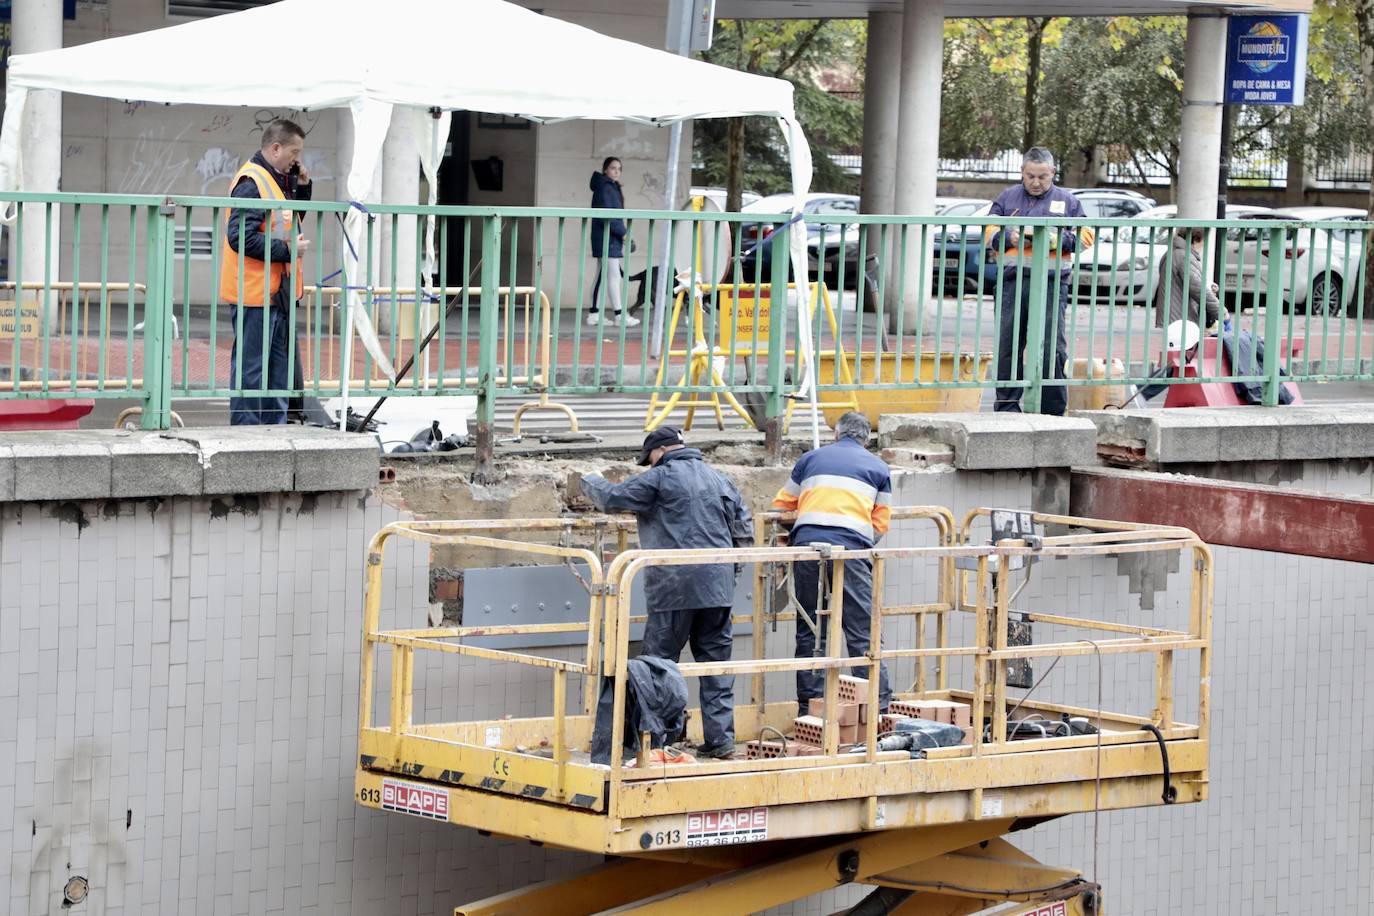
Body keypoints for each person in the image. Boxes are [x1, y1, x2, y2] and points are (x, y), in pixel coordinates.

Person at [579, 427, 752, 758]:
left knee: (657, 668)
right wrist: (729, 573)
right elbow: (743, 530)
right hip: (718, 589)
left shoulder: (659, 478)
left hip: (673, 590)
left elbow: (611, 499)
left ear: (657, 453)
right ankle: (721, 741)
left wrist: (590, 478)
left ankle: (656, 744)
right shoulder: (720, 479)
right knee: (715, 666)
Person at [771, 411, 893, 713]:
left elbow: (783, 507)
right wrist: (859, 543)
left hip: (808, 550)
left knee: (811, 627)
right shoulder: (879, 467)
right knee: (861, 628)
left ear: (836, 434)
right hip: (851, 551)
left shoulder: (810, 459)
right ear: (866, 440)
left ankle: (809, 706)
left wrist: (799, 533)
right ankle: (877, 708)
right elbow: (880, 524)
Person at [984, 147, 1095, 416]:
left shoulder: (1068, 202)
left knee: (1052, 346)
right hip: (1013, 283)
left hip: (1051, 284)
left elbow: (1086, 236)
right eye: (1030, 176)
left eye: (1042, 177)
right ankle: (1007, 406)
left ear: (1053, 173)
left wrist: (1054, 240)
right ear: (1022, 173)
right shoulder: (1007, 198)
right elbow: (988, 231)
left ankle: (1052, 408)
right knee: (1009, 344)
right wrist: (1006, 237)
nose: (1036, 182)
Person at [220, 118, 313, 425]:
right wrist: (288, 252)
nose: (297, 159)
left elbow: (286, 221)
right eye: (294, 151)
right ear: (276, 148)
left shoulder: (273, 181)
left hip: (274, 293)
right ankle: (247, 432)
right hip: (255, 293)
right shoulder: (252, 183)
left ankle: (274, 429)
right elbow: (240, 238)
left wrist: (302, 189)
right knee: (252, 369)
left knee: (277, 370)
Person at [587, 156, 639, 327]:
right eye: (613, 168)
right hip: (607, 238)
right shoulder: (606, 188)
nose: (616, 171)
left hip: (607, 237)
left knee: (603, 275)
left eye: (619, 169)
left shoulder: (609, 187)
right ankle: (619, 315)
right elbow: (610, 216)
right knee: (613, 276)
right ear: (605, 170)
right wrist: (624, 235)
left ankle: (595, 313)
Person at [1155, 227, 1224, 333]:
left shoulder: (1173, 253)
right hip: (1180, 319)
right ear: (1197, 239)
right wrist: (1222, 312)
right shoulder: (1184, 256)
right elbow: (1198, 289)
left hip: (1172, 316)